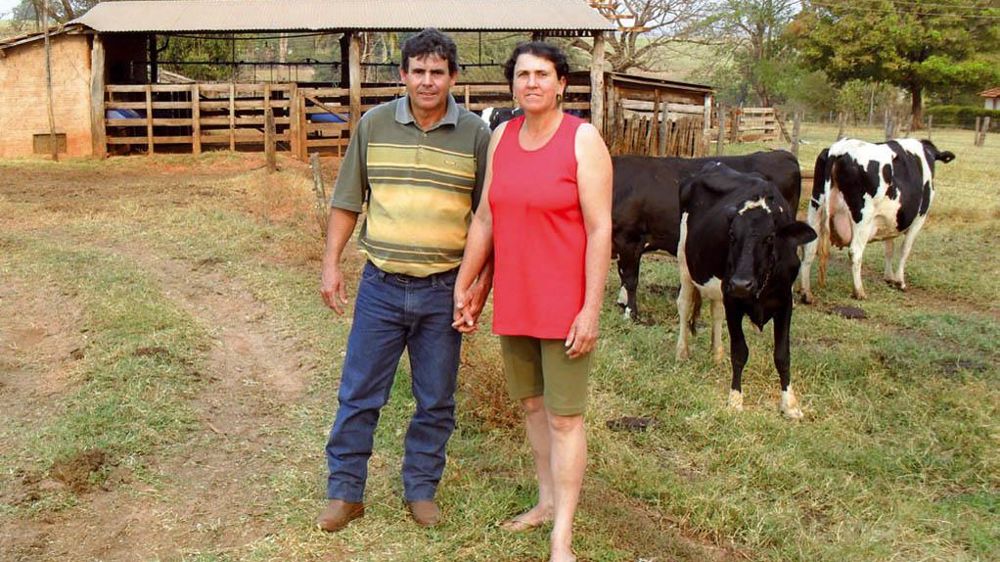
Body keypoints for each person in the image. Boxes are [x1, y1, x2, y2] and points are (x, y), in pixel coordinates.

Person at [317, 28, 492, 532]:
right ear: (403, 75)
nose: (428, 81)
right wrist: (331, 263)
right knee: (359, 393)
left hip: (444, 289)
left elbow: (486, 217)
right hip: (381, 287)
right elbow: (348, 200)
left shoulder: (476, 135)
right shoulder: (374, 124)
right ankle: (345, 492)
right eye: (418, 71)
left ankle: (421, 488)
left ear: (453, 77)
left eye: (438, 72)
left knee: (435, 398)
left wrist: (479, 284)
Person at [452, 42, 613, 562]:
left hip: (564, 303)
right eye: (522, 75)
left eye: (542, 74)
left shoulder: (583, 141)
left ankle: (561, 534)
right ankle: (545, 501)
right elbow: (486, 219)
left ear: (562, 82)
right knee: (533, 406)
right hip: (517, 297)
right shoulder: (501, 137)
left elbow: (599, 228)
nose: (532, 83)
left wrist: (590, 308)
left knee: (566, 416)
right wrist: (468, 281)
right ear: (512, 84)